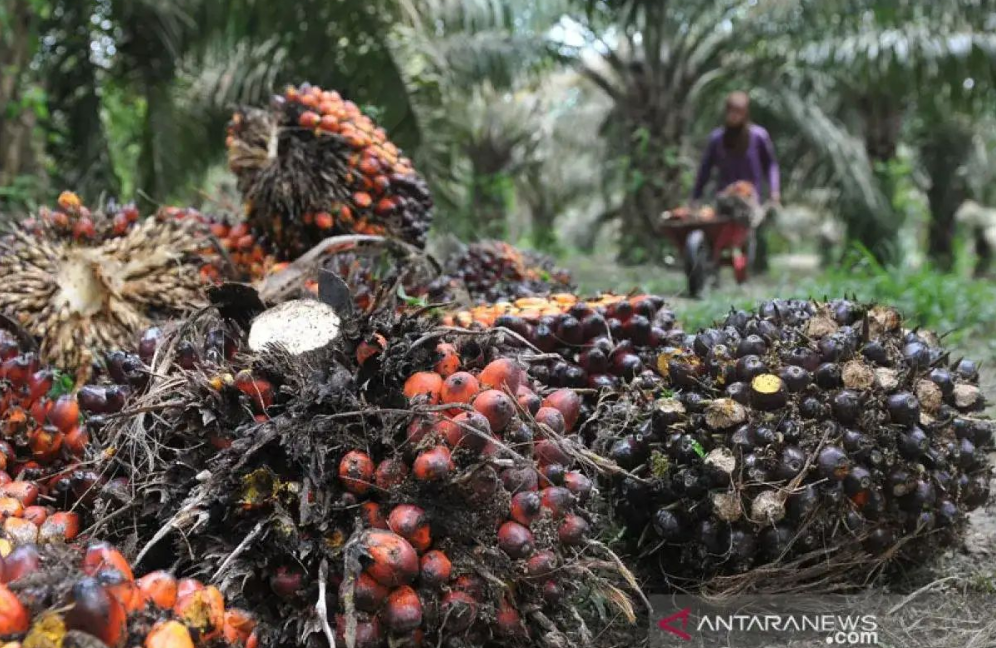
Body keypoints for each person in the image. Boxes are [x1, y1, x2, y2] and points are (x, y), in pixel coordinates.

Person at [692, 91, 781, 205]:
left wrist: (774, 191)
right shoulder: (717, 138)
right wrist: (696, 197)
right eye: (731, 111)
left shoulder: (758, 136)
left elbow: (770, 165)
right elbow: (705, 170)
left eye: (738, 112)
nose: (734, 116)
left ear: (745, 113)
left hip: (750, 201)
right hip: (724, 200)